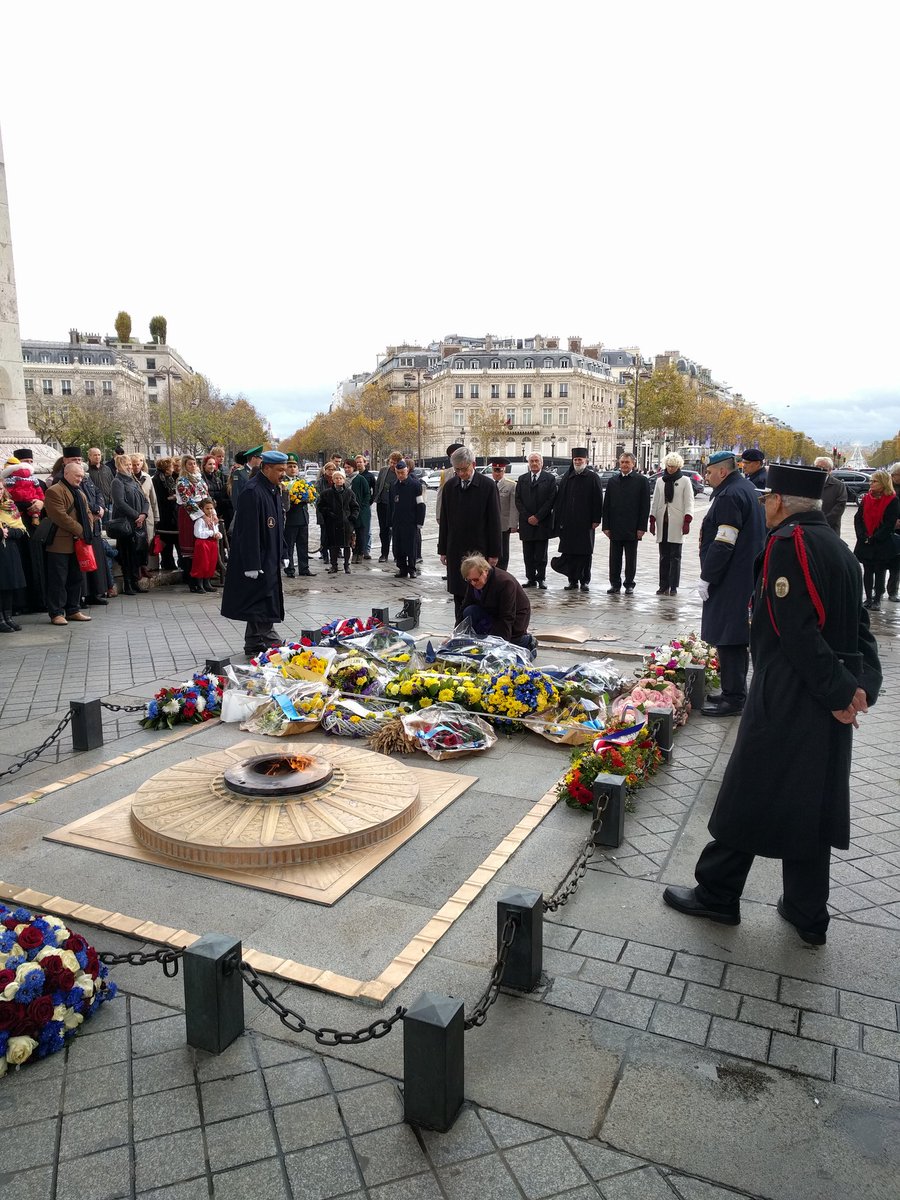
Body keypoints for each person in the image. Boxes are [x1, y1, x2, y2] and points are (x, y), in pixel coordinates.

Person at [663, 463, 882, 946]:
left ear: (780, 501)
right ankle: (807, 912)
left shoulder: (789, 544)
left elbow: (796, 632)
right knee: (811, 800)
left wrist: (841, 693)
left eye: (767, 498)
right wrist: (862, 686)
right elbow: (860, 629)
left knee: (748, 791)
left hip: (788, 693)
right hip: (827, 695)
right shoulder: (837, 547)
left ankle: (718, 893)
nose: (763, 504)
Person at [697, 450, 767, 717]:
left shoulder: (729, 495)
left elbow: (724, 542)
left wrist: (708, 576)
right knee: (734, 636)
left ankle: (734, 698)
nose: (706, 476)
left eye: (709, 472)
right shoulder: (745, 488)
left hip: (731, 576)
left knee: (729, 637)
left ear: (723, 472)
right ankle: (733, 690)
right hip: (744, 573)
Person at [221, 449, 288, 656]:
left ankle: (253, 641)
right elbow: (247, 531)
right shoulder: (252, 491)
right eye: (279, 470)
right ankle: (272, 641)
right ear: (266, 468)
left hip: (270, 555)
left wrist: (284, 551)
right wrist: (251, 563)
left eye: (284, 469)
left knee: (261, 596)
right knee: (261, 598)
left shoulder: (273, 489)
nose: (283, 474)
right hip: (257, 558)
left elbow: (278, 525)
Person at [438, 446, 501, 622]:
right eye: (457, 470)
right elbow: (445, 521)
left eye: (464, 469)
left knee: (479, 591)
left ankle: (479, 629)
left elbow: (494, 522)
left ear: (473, 464)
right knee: (458, 594)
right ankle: (459, 627)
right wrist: (443, 550)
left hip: (479, 549)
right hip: (455, 549)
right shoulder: (450, 486)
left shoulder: (487, 486)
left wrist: (494, 553)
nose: (461, 474)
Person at [42, 462, 93, 626]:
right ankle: (56, 613)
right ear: (66, 474)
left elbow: (88, 513)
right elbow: (60, 517)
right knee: (58, 580)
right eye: (77, 476)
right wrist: (82, 531)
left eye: (82, 476)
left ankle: (73, 609)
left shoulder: (80, 493)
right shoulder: (54, 491)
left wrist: (88, 530)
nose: (80, 479)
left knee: (75, 578)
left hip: (78, 543)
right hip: (60, 543)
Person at [460, 554, 536, 655]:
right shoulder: (473, 581)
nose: (473, 583)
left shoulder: (505, 582)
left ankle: (527, 641)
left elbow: (507, 617)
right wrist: (455, 636)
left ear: (485, 571)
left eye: (476, 580)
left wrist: (497, 647)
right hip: (491, 613)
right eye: (469, 580)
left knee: (507, 643)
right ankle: (486, 639)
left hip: (515, 617)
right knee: (469, 611)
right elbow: (464, 606)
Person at [551, 448, 604, 592]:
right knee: (570, 553)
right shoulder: (567, 477)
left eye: (580, 459)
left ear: (586, 460)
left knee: (585, 553)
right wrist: (559, 519)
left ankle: (585, 580)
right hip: (568, 522)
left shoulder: (593, 477)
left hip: (585, 522)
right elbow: (560, 500)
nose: (577, 462)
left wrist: (596, 519)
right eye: (575, 460)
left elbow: (598, 499)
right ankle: (572, 580)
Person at [602, 451, 650, 595]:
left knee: (630, 558)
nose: (624, 465)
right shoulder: (613, 481)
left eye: (627, 462)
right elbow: (606, 505)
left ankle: (629, 584)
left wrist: (642, 527)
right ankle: (615, 584)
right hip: (615, 526)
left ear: (633, 464)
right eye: (622, 462)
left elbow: (645, 506)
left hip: (632, 526)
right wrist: (606, 526)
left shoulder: (641, 481)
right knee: (614, 558)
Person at [853, 468, 899, 611]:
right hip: (865, 540)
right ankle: (867, 598)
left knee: (879, 571)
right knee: (867, 571)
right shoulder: (866, 498)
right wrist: (862, 535)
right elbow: (858, 518)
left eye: (874, 481)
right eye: (871, 481)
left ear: (883, 483)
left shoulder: (892, 500)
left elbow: (889, 523)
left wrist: (875, 537)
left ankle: (877, 599)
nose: (871, 483)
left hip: (881, 542)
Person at [649, 452, 694, 596]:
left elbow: (689, 502)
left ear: (678, 466)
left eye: (673, 466)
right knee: (663, 556)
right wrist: (652, 518)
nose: (670, 469)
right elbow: (656, 500)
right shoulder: (660, 481)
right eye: (668, 466)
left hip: (677, 521)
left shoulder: (685, 481)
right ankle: (663, 585)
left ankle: (673, 585)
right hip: (663, 521)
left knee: (675, 556)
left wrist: (687, 520)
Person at [515, 452, 557, 590]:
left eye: (536, 461)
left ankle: (541, 578)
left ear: (541, 463)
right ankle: (530, 578)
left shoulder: (549, 479)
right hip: (526, 522)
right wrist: (528, 517)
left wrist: (538, 517)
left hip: (542, 522)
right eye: (531, 461)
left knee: (541, 554)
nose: (534, 463)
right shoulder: (522, 479)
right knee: (527, 553)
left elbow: (551, 500)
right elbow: (518, 500)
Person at [110, 453, 150, 596]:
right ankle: (128, 583)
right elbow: (120, 503)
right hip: (126, 524)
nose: (129, 467)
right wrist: (136, 516)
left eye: (129, 465)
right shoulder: (117, 482)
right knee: (127, 553)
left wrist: (143, 514)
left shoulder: (133, 480)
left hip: (139, 522)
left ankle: (135, 581)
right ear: (118, 466)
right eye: (125, 465)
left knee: (137, 552)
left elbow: (145, 500)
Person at [175, 454, 210, 588]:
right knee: (191, 548)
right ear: (184, 466)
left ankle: (205, 579)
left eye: (194, 463)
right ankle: (193, 581)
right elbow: (187, 501)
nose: (193, 466)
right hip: (189, 515)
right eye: (190, 464)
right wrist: (202, 515)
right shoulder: (182, 481)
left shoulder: (199, 479)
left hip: (204, 511)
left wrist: (211, 512)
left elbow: (206, 496)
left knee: (204, 546)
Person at [318, 468, 359, 574]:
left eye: (340, 478)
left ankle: (346, 565)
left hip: (346, 523)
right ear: (333, 480)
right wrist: (328, 514)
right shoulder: (326, 493)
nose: (338, 480)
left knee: (347, 545)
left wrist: (352, 517)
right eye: (336, 478)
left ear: (344, 480)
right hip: (332, 523)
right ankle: (334, 565)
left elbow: (355, 507)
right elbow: (321, 506)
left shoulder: (349, 493)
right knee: (333, 546)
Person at [390, 459, 425, 578]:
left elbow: (420, 504)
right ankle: (402, 568)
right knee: (398, 546)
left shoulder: (415, 485)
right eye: (398, 473)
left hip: (411, 521)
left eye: (402, 472)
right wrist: (390, 522)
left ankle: (412, 568)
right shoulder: (394, 485)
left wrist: (420, 521)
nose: (400, 475)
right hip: (397, 521)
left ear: (407, 471)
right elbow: (391, 505)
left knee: (411, 546)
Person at [281, 454, 315, 578]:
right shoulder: (282, 482)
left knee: (303, 545)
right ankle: (289, 569)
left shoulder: (302, 481)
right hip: (290, 518)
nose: (293, 469)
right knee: (289, 545)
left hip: (303, 517)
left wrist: (309, 497)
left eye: (294, 466)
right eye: (290, 466)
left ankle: (304, 568)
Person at [0, 479, 27, 632]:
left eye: (0, 489)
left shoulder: (10, 506)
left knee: (9, 584)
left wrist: (8, 532)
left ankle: (8, 616)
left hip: (9, 549)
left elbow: (21, 530)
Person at [132, 454, 160, 579]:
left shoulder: (147, 477)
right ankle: (137, 567)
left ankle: (144, 566)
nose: (136, 467)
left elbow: (153, 498)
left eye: (138, 464)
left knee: (147, 541)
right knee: (137, 543)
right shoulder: (129, 478)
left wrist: (156, 516)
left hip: (148, 514)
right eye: (133, 464)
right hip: (135, 514)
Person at [489, 458, 518, 571]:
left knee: (503, 551)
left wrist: (513, 524)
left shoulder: (511, 485)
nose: (497, 473)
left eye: (499, 470)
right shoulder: (488, 484)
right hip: (489, 523)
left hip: (503, 524)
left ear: (504, 470)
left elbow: (513, 506)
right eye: (495, 470)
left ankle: (502, 572)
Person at [151, 457, 180, 571]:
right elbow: (159, 498)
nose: (173, 469)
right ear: (166, 468)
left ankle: (171, 562)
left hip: (171, 513)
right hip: (164, 514)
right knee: (165, 541)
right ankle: (167, 562)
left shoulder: (169, 478)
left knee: (173, 539)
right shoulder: (158, 479)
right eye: (171, 466)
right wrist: (172, 497)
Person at [373, 451, 402, 562]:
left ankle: (397, 554)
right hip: (382, 504)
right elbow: (378, 484)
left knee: (395, 530)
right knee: (383, 530)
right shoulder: (383, 470)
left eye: (395, 463)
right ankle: (384, 553)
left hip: (394, 506)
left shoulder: (400, 472)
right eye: (391, 462)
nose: (392, 465)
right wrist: (377, 497)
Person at [191, 498, 223, 593]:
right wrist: (210, 533)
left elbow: (216, 529)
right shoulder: (200, 521)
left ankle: (207, 582)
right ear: (202, 509)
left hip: (212, 543)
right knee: (202, 563)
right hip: (203, 544)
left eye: (211, 508)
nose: (209, 511)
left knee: (211, 563)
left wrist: (218, 534)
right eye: (207, 509)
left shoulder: (213, 520)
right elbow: (197, 533)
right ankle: (199, 584)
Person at [813, 456, 848, 535]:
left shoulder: (839, 485)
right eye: (816, 467)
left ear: (829, 470)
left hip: (830, 528)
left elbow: (840, 506)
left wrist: (823, 521)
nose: (818, 470)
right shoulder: (809, 482)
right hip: (810, 527)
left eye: (822, 467)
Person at [348, 458, 373, 564]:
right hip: (349, 511)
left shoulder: (361, 479)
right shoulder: (344, 479)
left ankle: (360, 553)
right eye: (345, 467)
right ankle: (354, 552)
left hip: (361, 511)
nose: (347, 469)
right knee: (351, 533)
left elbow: (367, 494)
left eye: (349, 467)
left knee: (361, 532)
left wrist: (362, 506)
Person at [354, 455, 376, 558]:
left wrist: (369, 501)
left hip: (365, 505)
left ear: (365, 463)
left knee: (366, 528)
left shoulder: (369, 476)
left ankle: (366, 549)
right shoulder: (353, 475)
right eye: (357, 462)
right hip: (354, 505)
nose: (358, 464)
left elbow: (374, 490)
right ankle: (356, 549)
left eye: (360, 462)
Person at [887, 462, 900, 603]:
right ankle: (877, 590)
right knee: (881, 562)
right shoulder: (886, 487)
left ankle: (893, 590)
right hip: (886, 528)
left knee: (896, 563)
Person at [86, 448, 114, 512]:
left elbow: (112, 483)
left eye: (99, 455)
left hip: (109, 503)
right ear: (89, 456)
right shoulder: (86, 471)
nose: (97, 457)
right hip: (96, 505)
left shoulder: (107, 469)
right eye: (95, 455)